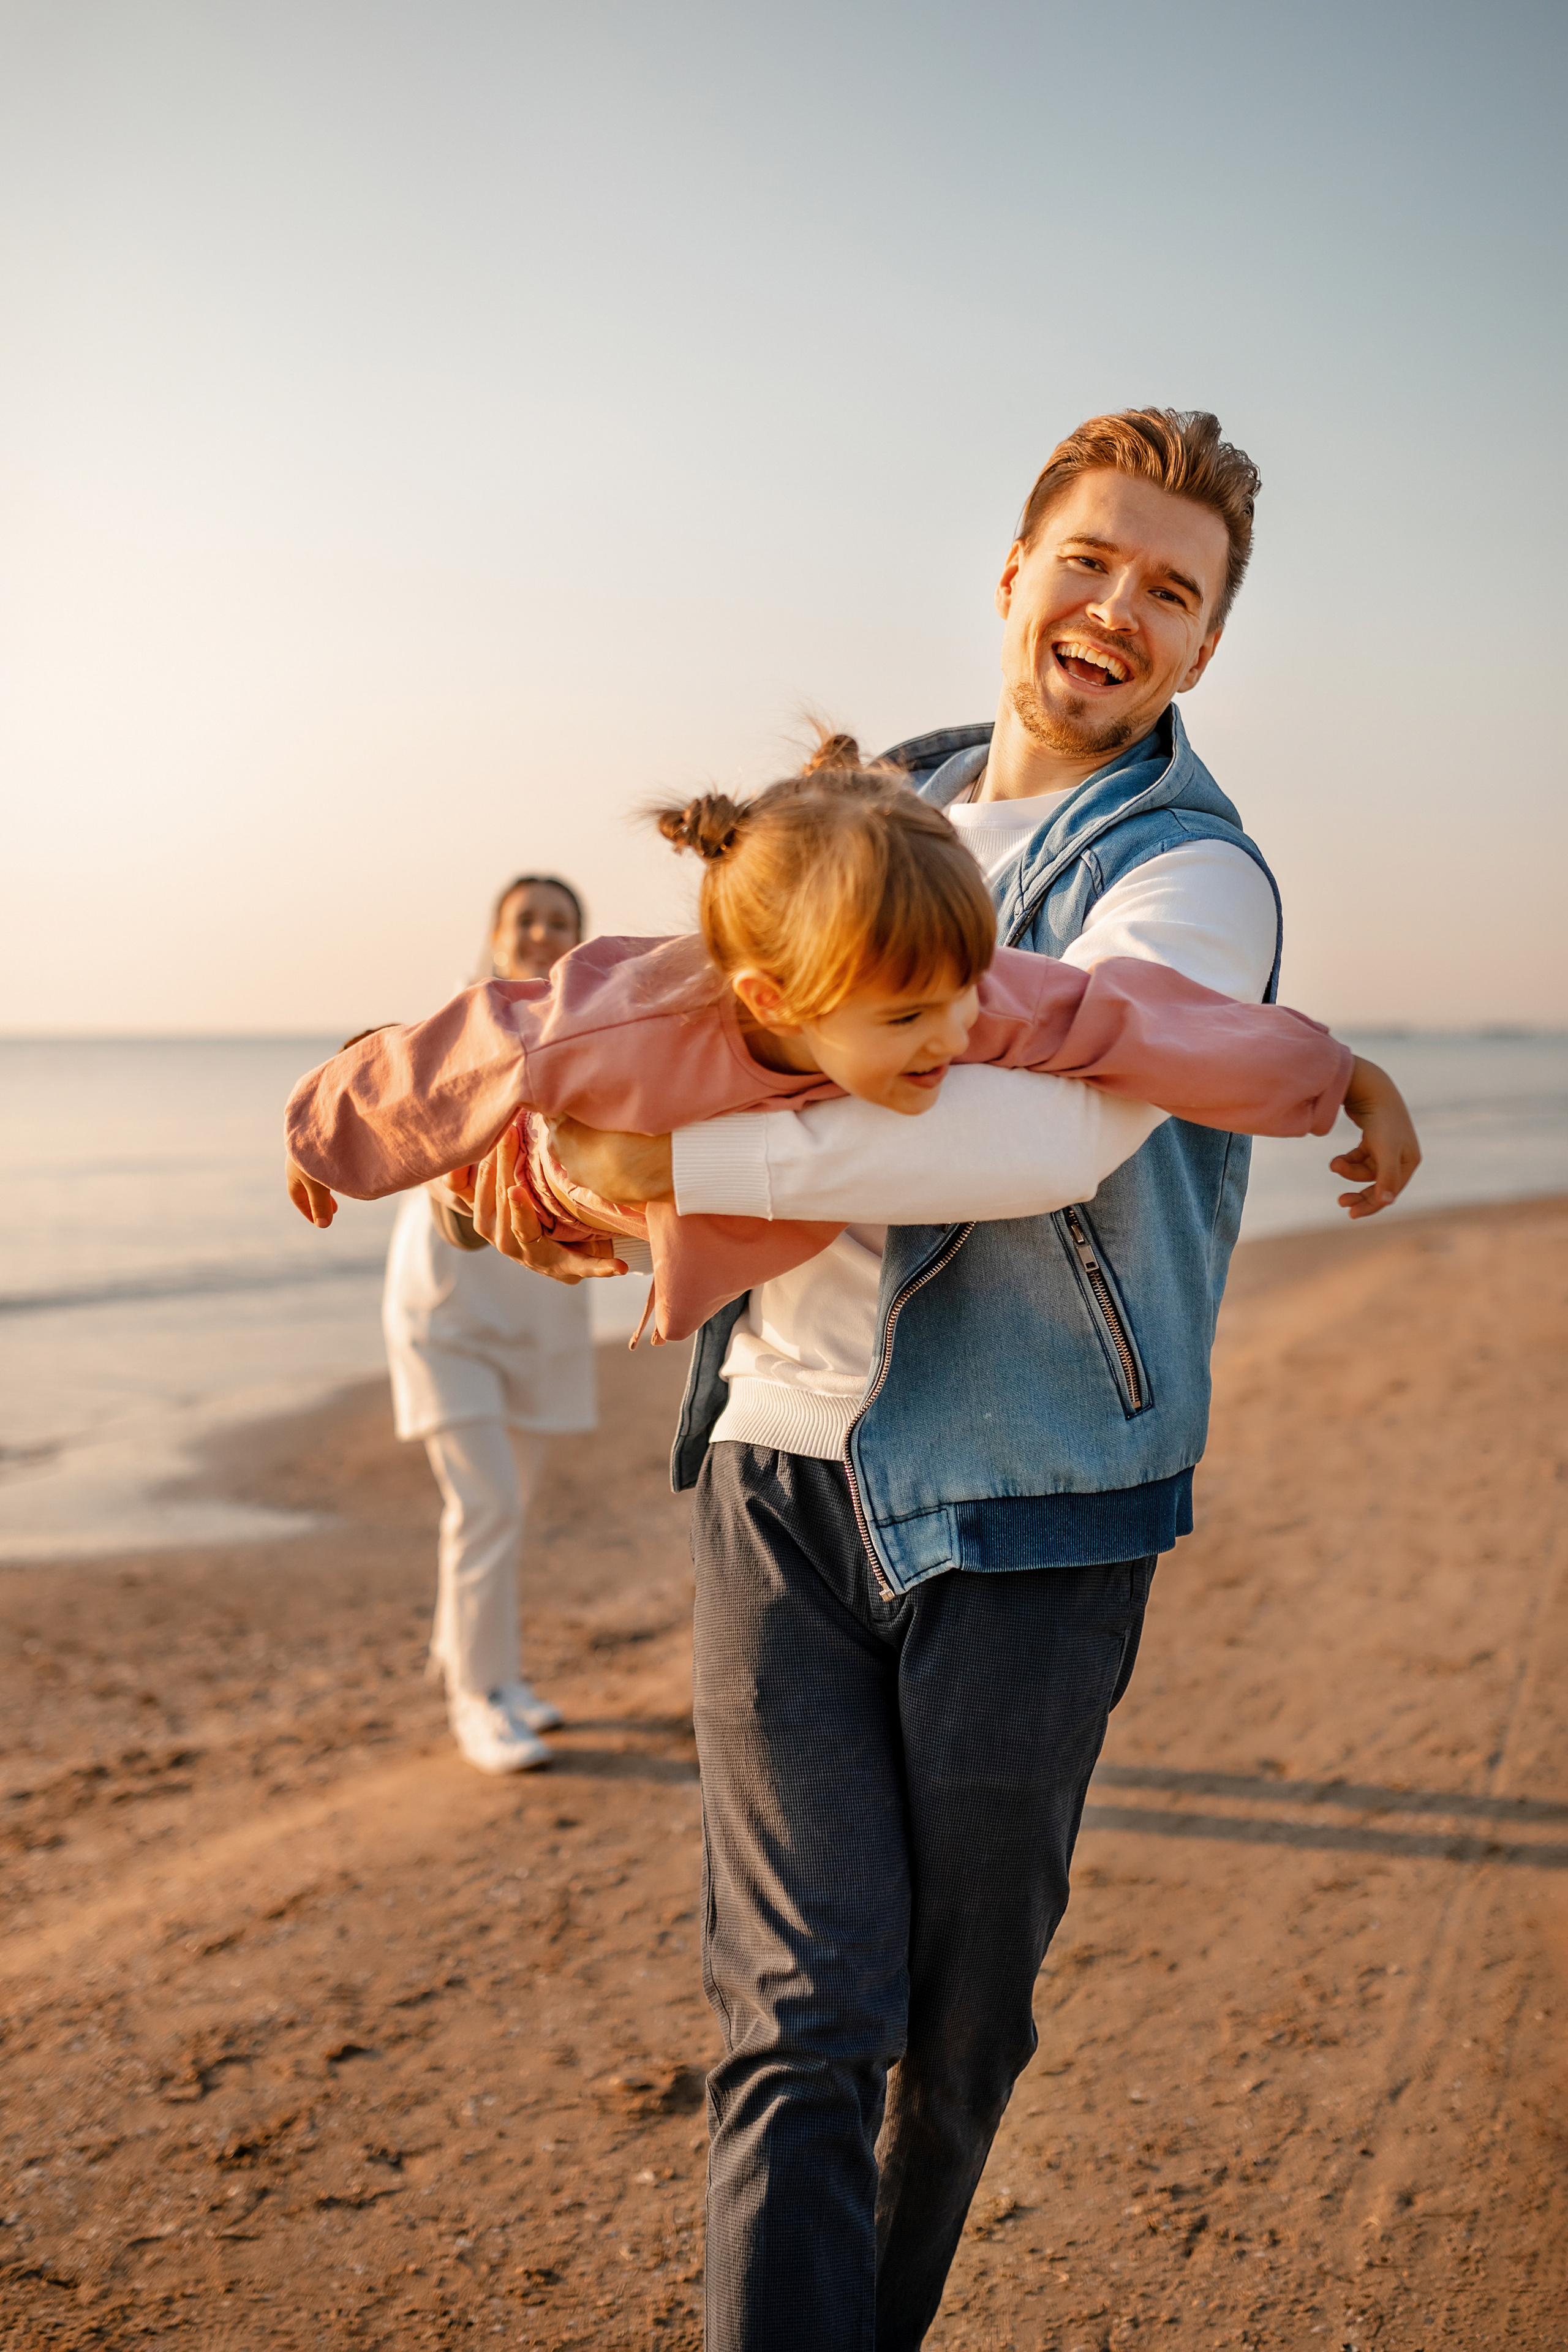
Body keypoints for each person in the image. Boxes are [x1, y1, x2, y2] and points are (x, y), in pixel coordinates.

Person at [474, 411, 1422, 2350]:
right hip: (773, 1479)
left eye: (1174, 591)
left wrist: (693, 1172)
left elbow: (1041, 1145)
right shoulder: (843, 813)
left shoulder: (1188, 872)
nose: (1118, 611)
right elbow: (679, 1035)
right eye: (1091, 561)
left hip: (1038, 1509)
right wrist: (563, 1171)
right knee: (798, 2021)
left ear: (1208, 648)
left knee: (959, 2029)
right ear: (1014, 573)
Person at [285, 760, 1411, 1350]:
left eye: (963, 998)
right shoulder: (622, 1025)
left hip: (647, 1222)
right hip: (526, 1170)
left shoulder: (961, 991)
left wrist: (1340, 1075)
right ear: (778, 998)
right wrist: (326, 1135)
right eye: (914, 1020)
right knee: (483, 1182)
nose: (959, 1038)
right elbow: (466, 1050)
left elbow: (1135, 1023)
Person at [379, 875, 597, 1776]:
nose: (543, 934)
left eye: (560, 922)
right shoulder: (459, 1030)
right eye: (527, 920)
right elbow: (411, 1144)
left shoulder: (598, 1035)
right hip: (450, 1304)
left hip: (544, 1304)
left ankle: (495, 1676)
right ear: (497, 934)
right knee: (487, 1505)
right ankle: (474, 1700)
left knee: (510, 1510)